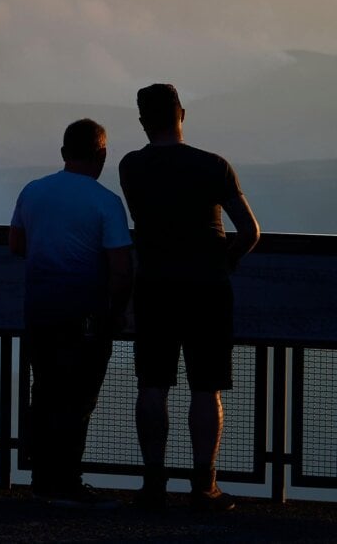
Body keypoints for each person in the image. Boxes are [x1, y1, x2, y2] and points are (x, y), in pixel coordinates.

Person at [119, 83, 260, 513]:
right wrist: (226, 259)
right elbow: (250, 232)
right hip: (207, 287)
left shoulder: (130, 167)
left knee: (152, 384)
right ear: (183, 114)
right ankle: (204, 485)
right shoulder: (214, 166)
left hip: (154, 286)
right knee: (207, 387)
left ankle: (153, 484)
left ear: (143, 121)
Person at [10, 119, 132, 508]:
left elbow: (16, 244)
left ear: (64, 153)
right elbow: (120, 268)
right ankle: (66, 480)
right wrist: (115, 312)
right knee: (78, 399)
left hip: (40, 310)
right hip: (85, 317)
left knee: (44, 391)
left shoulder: (33, 192)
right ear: (102, 155)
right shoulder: (106, 202)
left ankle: (42, 478)